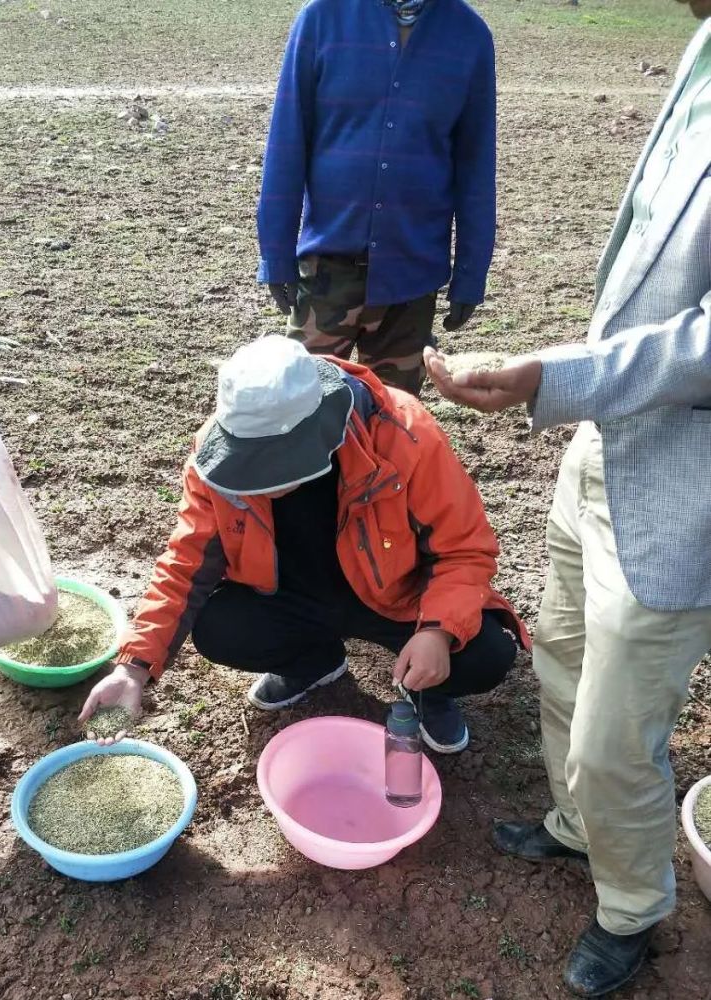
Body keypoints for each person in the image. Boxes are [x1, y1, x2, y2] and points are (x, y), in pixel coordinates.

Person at [422, 0, 711, 993]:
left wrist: (551, 376)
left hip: (683, 485)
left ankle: (633, 906)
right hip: (604, 440)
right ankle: (579, 827)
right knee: (561, 657)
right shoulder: (702, 42)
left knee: (613, 731)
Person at [79, 336, 528, 757]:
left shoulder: (401, 431)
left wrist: (436, 631)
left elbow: (465, 549)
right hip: (295, 597)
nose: (259, 480)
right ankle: (316, 663)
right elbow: (185, 561)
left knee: (485, 655)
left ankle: (428, 689)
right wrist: (133, 667)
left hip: (398, 597)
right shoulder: (215, 456)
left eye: (274, 464)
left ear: (318, 430)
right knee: (220, 628)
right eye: (249, 463)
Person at [256, 0, 496, 396]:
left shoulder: (469, 35)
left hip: (412, 280)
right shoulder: (322, 19)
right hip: (326, 272)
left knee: (393, 423)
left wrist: (471, 273)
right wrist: (275, 253)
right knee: (302, 413)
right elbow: (286, 141)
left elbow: (475, 165)